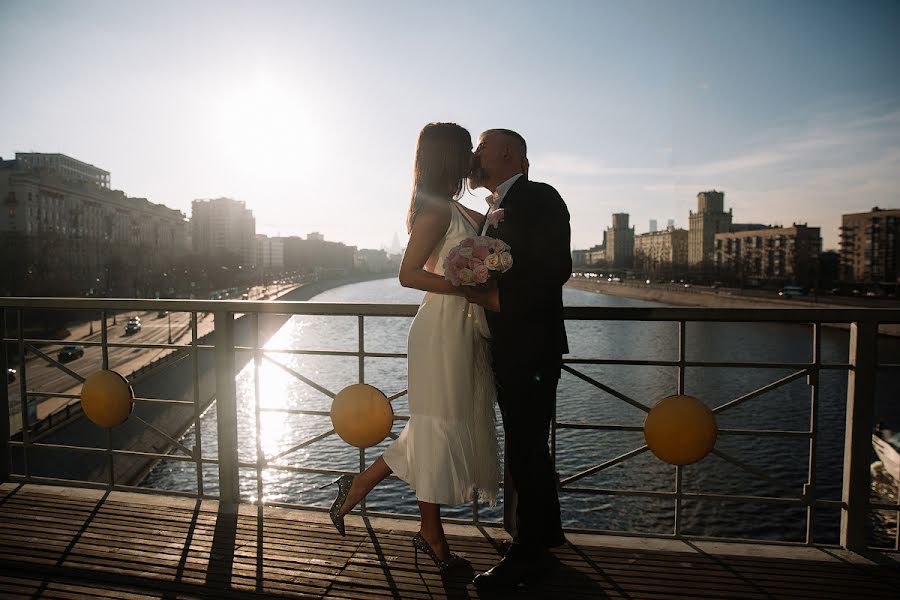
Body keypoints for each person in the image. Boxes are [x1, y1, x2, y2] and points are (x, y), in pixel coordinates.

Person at [323, 122, 499, 573]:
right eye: (467, 151)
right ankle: (431, 536)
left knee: (434, 426)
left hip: (459, 325)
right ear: (449, 157)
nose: (472, 159)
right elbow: (408, 274)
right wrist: (467, 287)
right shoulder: (437, 210)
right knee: (437, 426)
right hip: (442, 326)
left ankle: (363, 488)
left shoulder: (451, 206)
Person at [465, 128, 571, 589]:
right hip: (510, 347)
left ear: (507, 153)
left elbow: (554, 267)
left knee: (526, 447)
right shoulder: (492, 209)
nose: (474, 154)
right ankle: (539, 541)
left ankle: (529, 552)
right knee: (526, 446)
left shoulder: (539, 196)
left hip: (530, 344)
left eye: (481, 147)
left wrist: (499, 302)